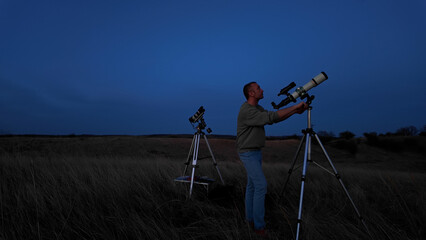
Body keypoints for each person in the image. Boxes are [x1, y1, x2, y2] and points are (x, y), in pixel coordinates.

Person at [236, 82, 308, 235]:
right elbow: (270, 117)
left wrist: (294, 112)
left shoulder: (257, 109)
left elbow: (274, 118)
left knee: (252, 186)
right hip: (247, 153)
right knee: (261, 185)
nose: (262, 90)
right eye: (258, 88)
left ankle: (249, 220)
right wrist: (294, 107)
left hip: (254, 151)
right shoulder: (247, 110)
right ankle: (259, 228)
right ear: (251, 93)